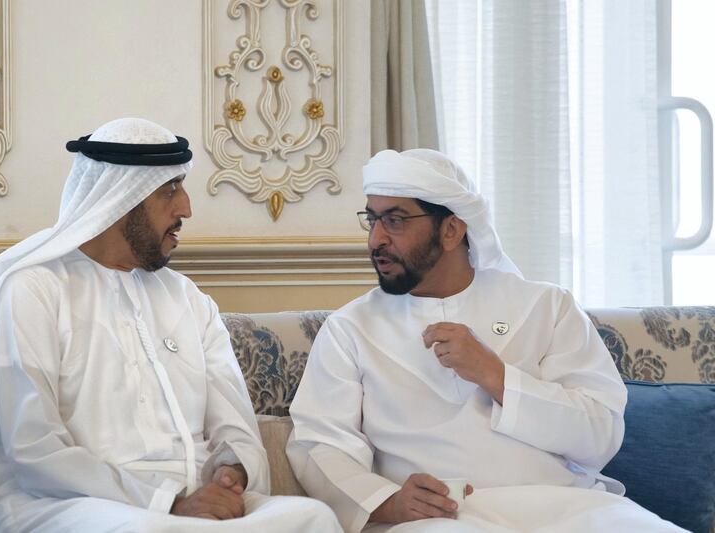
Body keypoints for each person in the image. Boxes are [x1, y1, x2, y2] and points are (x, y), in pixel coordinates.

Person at [0, 118, 341, 533]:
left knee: (313, 518)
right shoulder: (32, 290)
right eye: (170, 189)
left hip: (191, 499)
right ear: (123, 198)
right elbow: (33, 451)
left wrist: (232, 473)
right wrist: (167, 504)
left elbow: (235, 426)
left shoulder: (188, 299)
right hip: (62, 504)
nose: (186, 208)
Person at [286, 149, 687, 533]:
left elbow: (600, 435)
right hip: (441, 520)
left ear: (451, 230)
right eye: (371, 219)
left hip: (569, 509)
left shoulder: (547, 306)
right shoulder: (350, 328)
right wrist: (384, 502)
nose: (376, 240)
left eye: (395, 221)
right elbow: (319, 444)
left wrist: (496, 376)